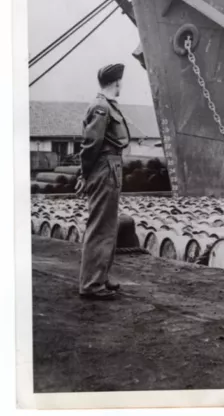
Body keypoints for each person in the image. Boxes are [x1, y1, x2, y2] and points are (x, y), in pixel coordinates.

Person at [75, 63, 131, 300]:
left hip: (110, 168)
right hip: (104, 169)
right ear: (116, 82)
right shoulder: (100, 107)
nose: (121, 85)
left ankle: (100, 278)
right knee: (100, 227)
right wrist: (84, 174)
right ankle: (91, 284)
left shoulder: (106, 106)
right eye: (121, 81)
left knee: (107, 227)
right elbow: (90, 145)